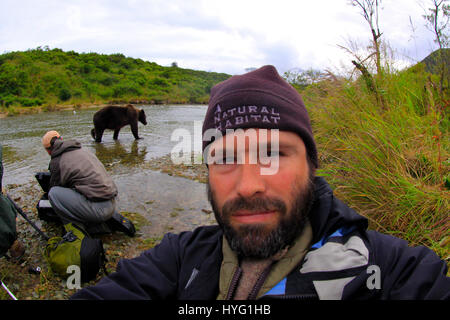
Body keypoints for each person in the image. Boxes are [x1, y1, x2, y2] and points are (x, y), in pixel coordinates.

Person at [71, 65, 449, 300]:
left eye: (274, 154)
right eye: (224, 158)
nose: (249, 185)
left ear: (312, 165)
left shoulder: (392, 270)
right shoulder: (179, 258)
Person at [42, 131, 118, 231]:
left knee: (53, 193)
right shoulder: (82, 149)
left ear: (48, 151)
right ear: (61, 139)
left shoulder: (57, 161)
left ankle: (75, 228)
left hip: (99, 211)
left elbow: (55, 187)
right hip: (112, 203)